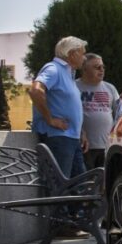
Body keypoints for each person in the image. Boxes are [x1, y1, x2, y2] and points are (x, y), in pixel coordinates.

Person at [29, 36, 87, 178]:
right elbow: (36, 90)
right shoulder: (54, 68)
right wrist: (50, 119)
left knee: (80, 184)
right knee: (59, 184)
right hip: (58, 138)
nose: (84, 58)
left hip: (71, 138)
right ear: (72, 54)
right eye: (82, 53)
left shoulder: (68, 73)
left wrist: (80, 131)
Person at [76, 53, 119, 171]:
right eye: (97, 67)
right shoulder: (75, 87)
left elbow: (119, 114)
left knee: (104, 179)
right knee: (85, 178)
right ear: (84, 69)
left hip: (106, 146)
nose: (102, 70)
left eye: (102, 67)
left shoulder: (110, 88)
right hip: (84, 146)